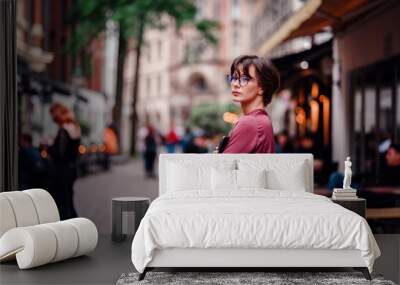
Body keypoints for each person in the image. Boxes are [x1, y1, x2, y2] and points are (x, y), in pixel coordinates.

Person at [222, 55, 279, 153]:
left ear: (262, 88)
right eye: (234, 78)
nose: (235, 84)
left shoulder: (250, 122)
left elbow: (222, 166)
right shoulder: (261, 119)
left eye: (244, 79)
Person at [48, 103, 81, 220]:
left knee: (62, 201)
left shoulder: (63, 130)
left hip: (62, 171)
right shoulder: (75, 128)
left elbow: (60, 153)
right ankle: (76, 225)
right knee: (68, 200)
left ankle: (68, 227)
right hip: (72, 169)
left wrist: (49, 147)